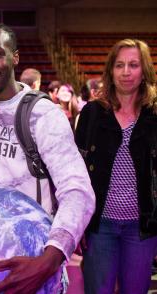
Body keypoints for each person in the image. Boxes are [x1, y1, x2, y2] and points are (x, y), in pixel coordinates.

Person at [0, 22, 95, 294]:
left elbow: (78, 190)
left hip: (32, 259)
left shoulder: (43, 115)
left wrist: (50, 258)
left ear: (14, 57)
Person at [75, 38, 157, 294]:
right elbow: (76, 172)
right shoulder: (91, 113)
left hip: (141, 228)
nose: (126, 72)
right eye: (119, 65)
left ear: (144, 70)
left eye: (133, 65)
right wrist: (77, 223)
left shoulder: (154, 115)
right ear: (110, 70)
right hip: (100, 227)